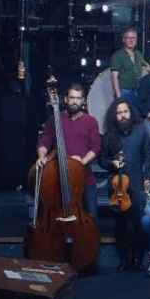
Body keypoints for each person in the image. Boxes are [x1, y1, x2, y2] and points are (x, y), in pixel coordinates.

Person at [99, 98, 150, 270]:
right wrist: (112, 164)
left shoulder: (141, 131)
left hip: (136, 185)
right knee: (120, 225)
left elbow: (149, 157)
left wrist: (148, 179)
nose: (122, 115)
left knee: (138, 224)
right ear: (115, 116)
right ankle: (124, 260)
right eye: (119, 113)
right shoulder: (109, 136)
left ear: (130, 113)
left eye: (125, 112)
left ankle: (138, 259)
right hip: (117, 187)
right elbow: (101, 160)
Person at [36, 83, 101, 218]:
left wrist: (81, 163)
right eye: (72, 98)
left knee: (91, 217)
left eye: (78, 98)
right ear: (65, 99)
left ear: (83, 101)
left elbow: (95, 147)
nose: (75, 101)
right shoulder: (55, 118)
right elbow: (45, 141)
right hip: (59, 177)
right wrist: (42, 156)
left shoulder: (91, 121)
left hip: (84, 177)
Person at [110, 27, 148, 113]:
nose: (131, 40)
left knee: (137, 116)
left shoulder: (138, 54)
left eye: (133, 38)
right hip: (124, 92)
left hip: (137, 92)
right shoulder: (117, 55)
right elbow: (114, 77)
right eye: (128, 38)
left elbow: (148, 68)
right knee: (127, 117)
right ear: (123, 39)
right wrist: (119, 97)